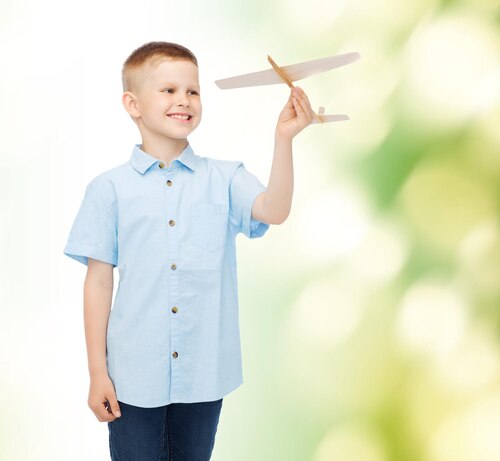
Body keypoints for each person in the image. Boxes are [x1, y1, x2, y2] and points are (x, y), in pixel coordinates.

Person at [63, 41, 315, 460]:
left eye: (193, 91)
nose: (184, 100)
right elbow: (99, 282)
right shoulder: (108, 190)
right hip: (132, 375)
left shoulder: (225, 177)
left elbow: (274, 210)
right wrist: (97, 372)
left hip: (203, 374)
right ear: (133, 103)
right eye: (169, 90)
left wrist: (284, 139)